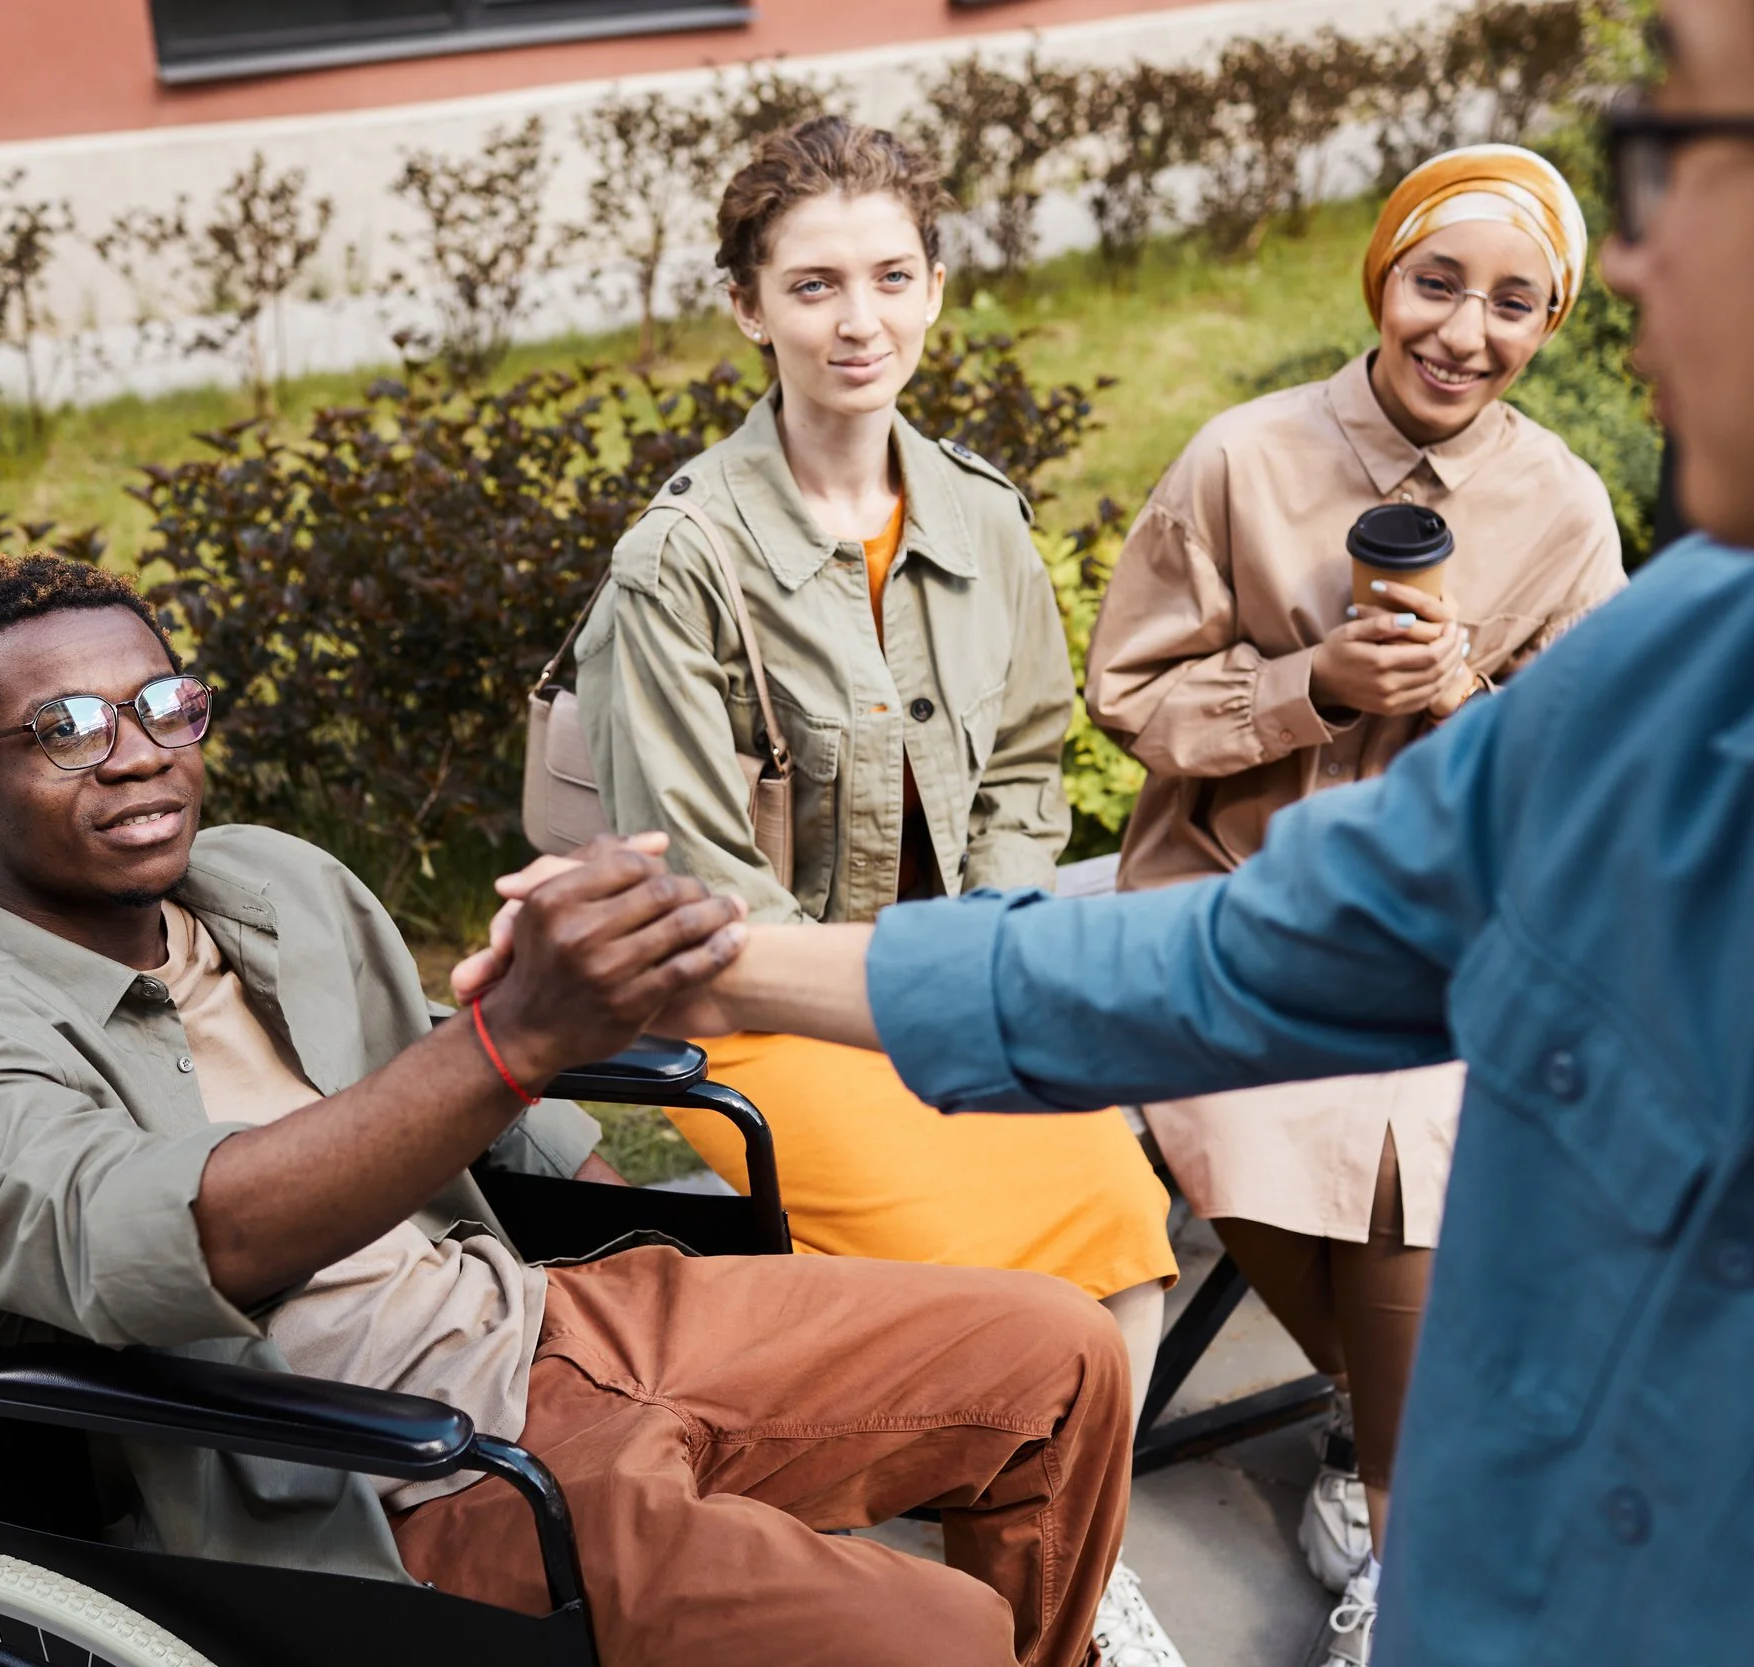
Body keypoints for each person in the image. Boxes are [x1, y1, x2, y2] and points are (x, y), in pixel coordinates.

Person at [463, 0, 1754, 1656]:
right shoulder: (1684, 663)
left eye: (1670, 156)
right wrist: (716, 963)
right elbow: (1250, 943)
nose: (1613, 276)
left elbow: (1038, 776)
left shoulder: (1562, 546)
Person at [0, 555, 1137, 1667]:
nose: (138, 756)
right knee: (937, 1635)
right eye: (66, 727)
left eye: (163, 705)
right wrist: (511, 1040)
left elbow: (447, 1088)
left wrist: (634, 1227)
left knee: (1058, 1353)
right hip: (387, 1478)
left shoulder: (274, 881)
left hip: (541, 1317)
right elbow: (167, 1242)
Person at [570, 125, 1179, 1658]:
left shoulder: (979, 512)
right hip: (766, 1004)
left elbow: (1034, 759)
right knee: (961, 1255)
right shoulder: (681, 560)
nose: (861, 320)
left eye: (893, 277)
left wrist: (982, 945)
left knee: (1119, 1211)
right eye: (816, 283)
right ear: (746, 307)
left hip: (956, 974)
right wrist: (896, 1000)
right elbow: (703, 887)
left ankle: (1064, 1578)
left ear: (937, 285)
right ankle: (1013, 1606)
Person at [1081, 143, 1625, 1656]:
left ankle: (1404, 1551)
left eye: (1514, 303)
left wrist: (1471, 709)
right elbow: (1126, 691)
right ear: (1382, 276)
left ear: (1552, 323)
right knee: (1279, 1114)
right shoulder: (1245, 459)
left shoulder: (1564, 509)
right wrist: (1306, 687)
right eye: (1436, 281)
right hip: (1222, 893)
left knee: (1418, 1147)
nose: (1465, 329)